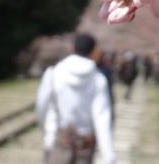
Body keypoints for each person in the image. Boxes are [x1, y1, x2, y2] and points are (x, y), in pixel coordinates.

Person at [36, 33, 116, 164]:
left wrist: (48, 133)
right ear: (93, 51)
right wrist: (109, 156)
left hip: (61, 140)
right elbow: (102, 118)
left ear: (72, 48)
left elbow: (42, 106)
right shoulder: (98, 79)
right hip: (85, 145)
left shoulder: (54, 72)